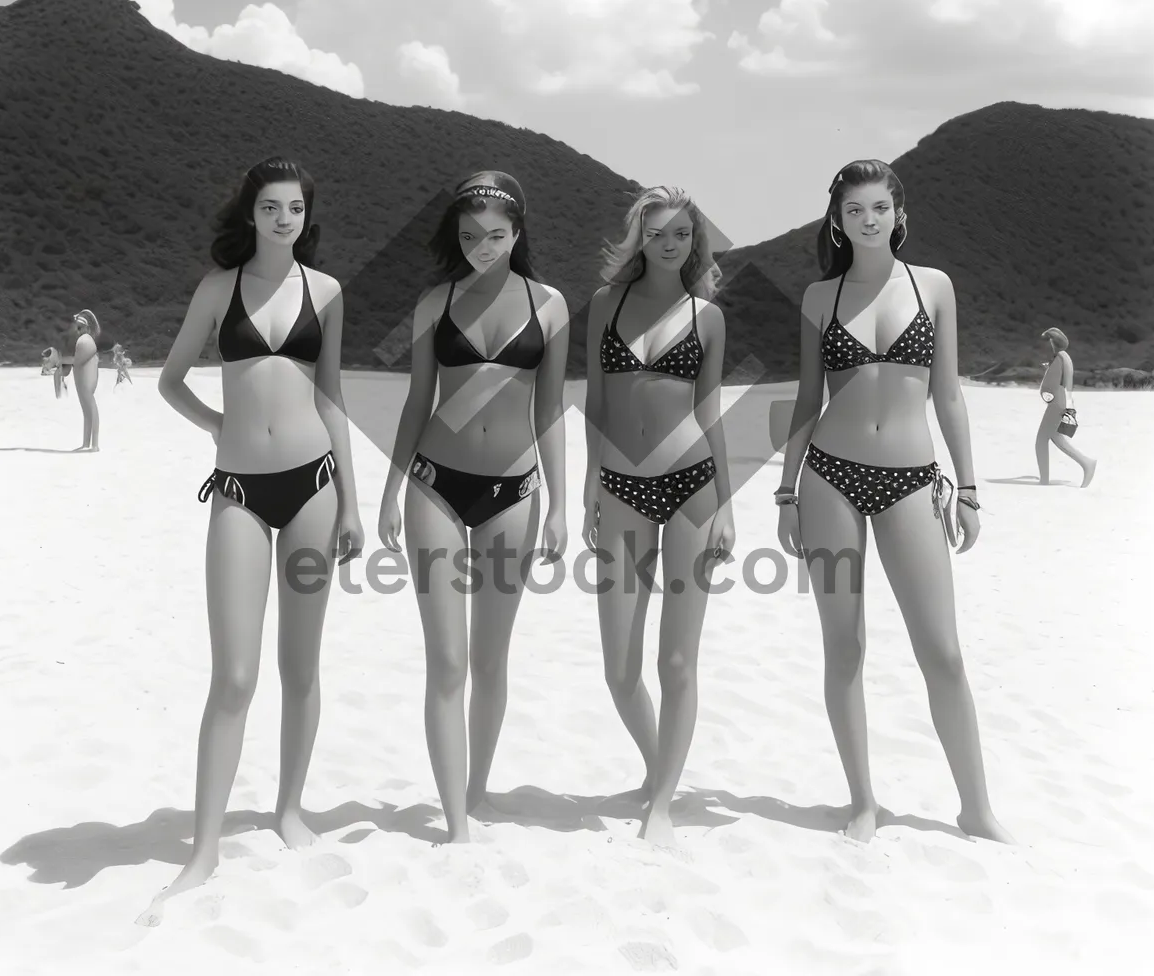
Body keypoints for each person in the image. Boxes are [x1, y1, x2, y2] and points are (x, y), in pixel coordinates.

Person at [141, 157, 365, 923]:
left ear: (307, 215)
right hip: (237, 490)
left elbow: (332, 397)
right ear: (250, 214)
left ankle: (288, 809)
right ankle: (202, 849)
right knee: (234, 675)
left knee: (299, 666)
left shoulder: (326, 292)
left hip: (314, 487)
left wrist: (353, 505)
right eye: (269, 207)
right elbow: (171, 381)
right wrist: (217, 426)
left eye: (294, 208)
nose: (282, 219)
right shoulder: (218, 288)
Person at [775, 160, 1012, 845]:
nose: (868, 219)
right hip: (827, 479)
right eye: (854, 210)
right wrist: (788, 490)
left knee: (943, 651)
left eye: (879, 207)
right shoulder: (821, 298)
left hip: (912, 481)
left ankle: (976, 808)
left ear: (899, 214)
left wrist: (967, 488)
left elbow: (949, 396)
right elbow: (805, 400)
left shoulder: (933, 287)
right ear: (837, 221)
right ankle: (862, 802)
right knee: (843, 646)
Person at [377, 171, 569, 844]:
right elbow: (416, 402)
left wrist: (559, 505)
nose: (482, 248)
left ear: (518, 234)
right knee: (448, 663)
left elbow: (550, 411)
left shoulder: (550, 307)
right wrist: (392, 488)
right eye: (468, 237)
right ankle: (456, 822)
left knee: (491, 661)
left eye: (495, 236)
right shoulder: (435, 301)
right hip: (434, 483)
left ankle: (477, 788)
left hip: (516, 493)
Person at [583, 186, 735, 848]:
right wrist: (590, 482)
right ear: (638, 238)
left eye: (679, 234)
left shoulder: (707, 316)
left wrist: (727, 503)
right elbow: (594, 399)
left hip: (694, 487)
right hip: (620, 486)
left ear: (693, 241)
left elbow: (710, 414)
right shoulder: (605, 306)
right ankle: (658, 767)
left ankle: (664, 802)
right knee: (620, 669)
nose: (667, 244)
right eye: (655, 233)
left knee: (677, 661)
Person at [1036, 327, 1096, 486]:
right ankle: (1087, 464)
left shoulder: (1059, 359)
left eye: (1049, 341)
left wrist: (1047, 392)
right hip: (1063, 400)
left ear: (1053, 342)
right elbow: (1065, 382)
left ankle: (1044, 481)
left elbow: (1050, 384)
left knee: (1041, 440)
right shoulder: (1065, 357)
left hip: (1057, 402)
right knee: (1056, 437)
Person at [70, 311, 102, 451]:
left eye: (80, 328)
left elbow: (77, 361)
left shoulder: (86, 341)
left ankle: (94, 444)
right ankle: (86, 443)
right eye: (77, 328)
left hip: (85, 381)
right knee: (87, 411)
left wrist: (58, 361)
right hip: (82, 379)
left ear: (87, 328)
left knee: (90, 409)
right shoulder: (84, 341)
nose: (78, 332)